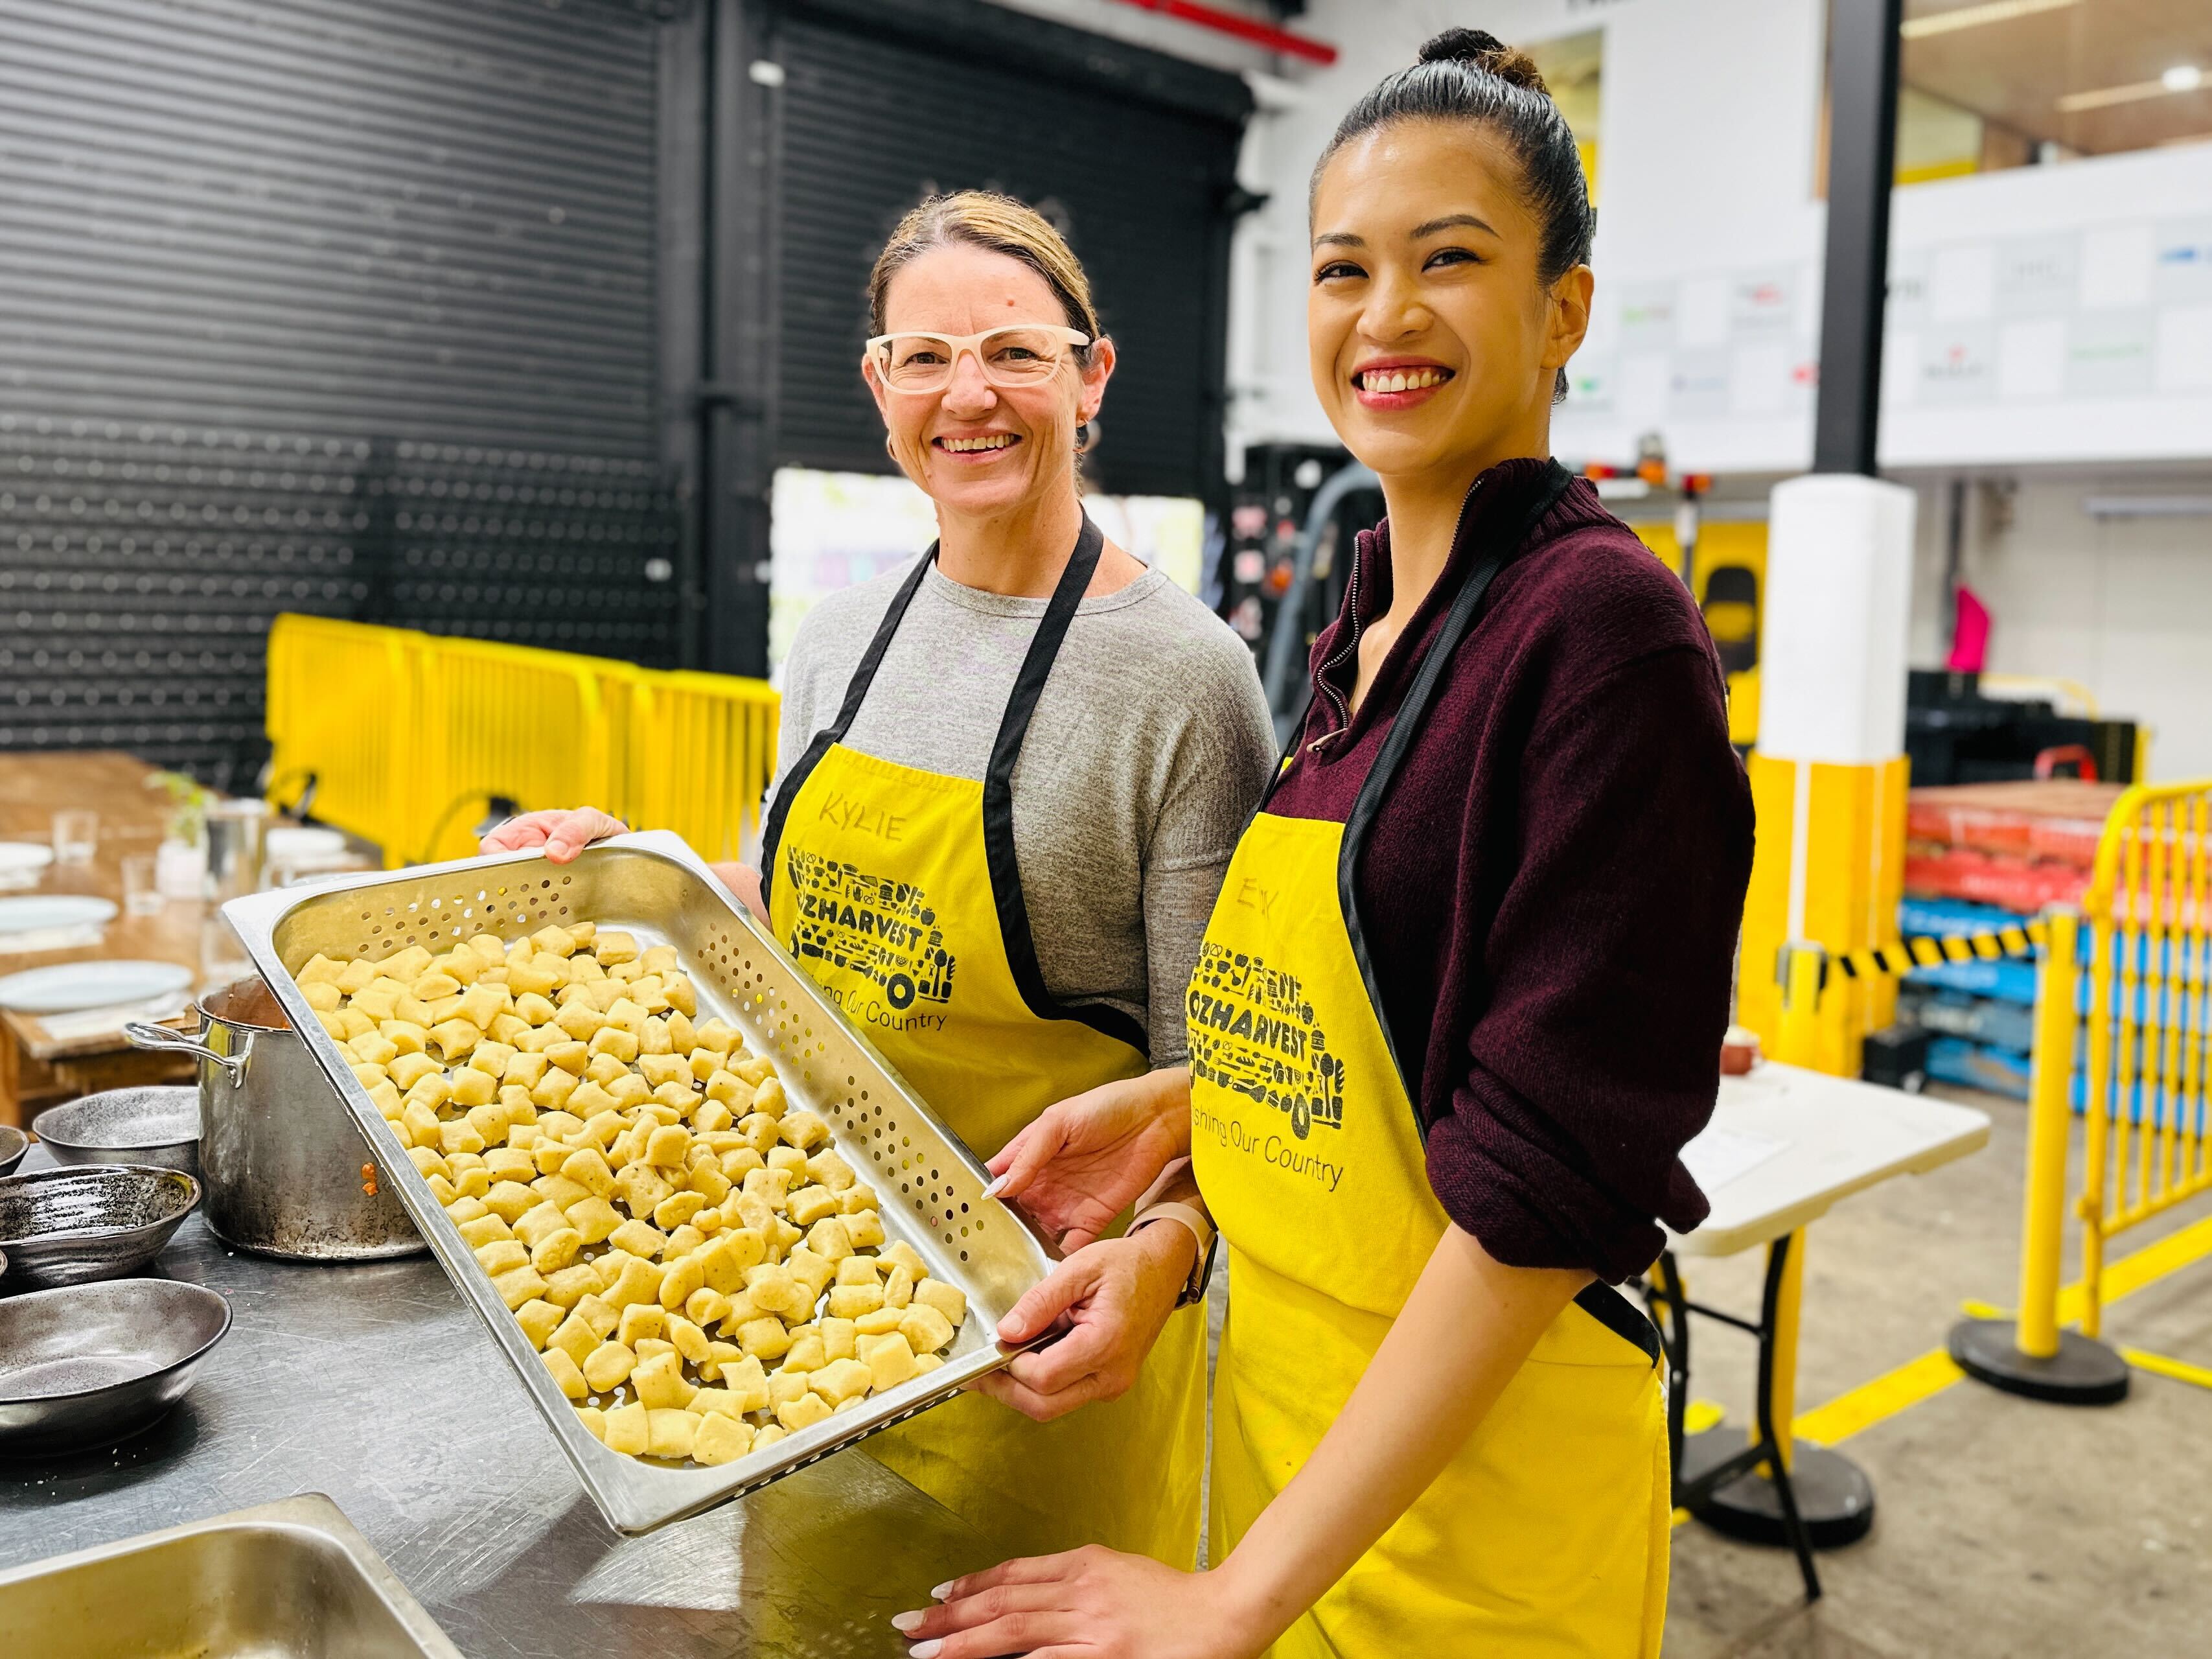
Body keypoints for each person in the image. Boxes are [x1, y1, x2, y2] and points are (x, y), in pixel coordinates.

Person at [892, 31, 1755, 1659]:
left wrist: (1234, 1593)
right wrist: (1184, 1145)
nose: (1386, 317)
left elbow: (1542, 1186)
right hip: (1292, 1449)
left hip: (1475, 1516)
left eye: (1452, 262)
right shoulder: (1367, 621)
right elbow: (1384, 1052)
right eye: (1343, 269)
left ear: (1564, 308)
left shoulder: (1602, 637)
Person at [483, 191, 1276, 1570]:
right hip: (803, 1312)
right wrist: (651, 872)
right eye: (926, 357)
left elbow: (1223, 1075)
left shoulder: (1187, 680)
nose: (968, 395)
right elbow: (816, 918)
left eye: (1015, 352)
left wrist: (1167, 1258)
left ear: (1090, 376)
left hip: (1043, 1353)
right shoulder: (841, 635)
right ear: (879, 384)